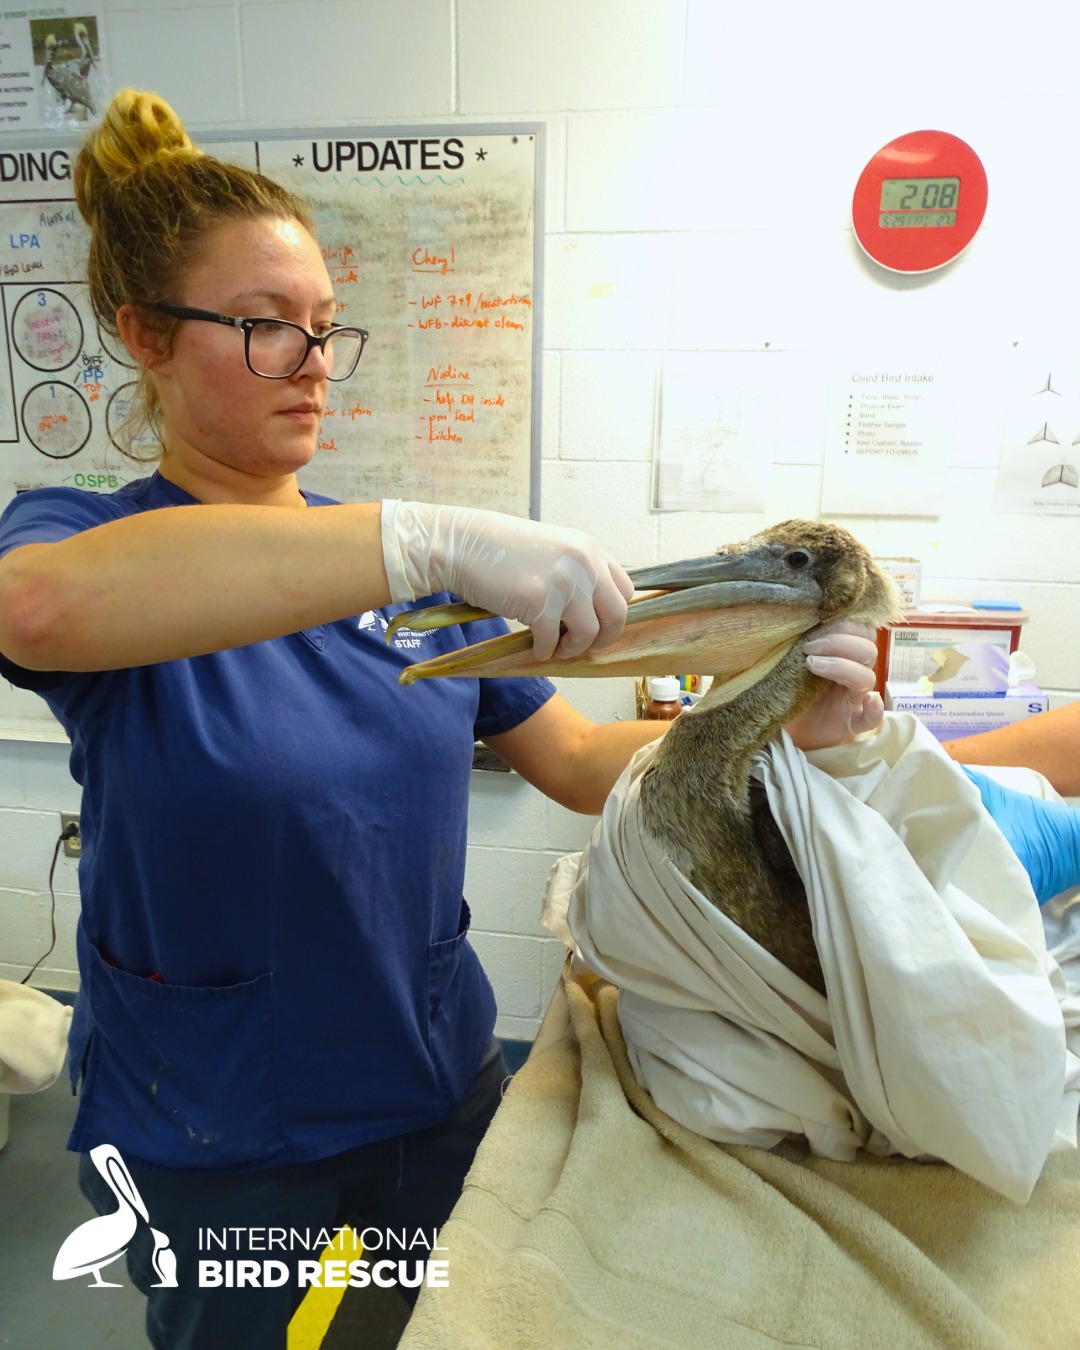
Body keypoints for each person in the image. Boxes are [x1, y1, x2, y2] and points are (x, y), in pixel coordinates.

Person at [0, 90, 881, 1350]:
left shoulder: (408, 575)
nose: (310, 362)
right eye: (261, 328)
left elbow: (573, 761)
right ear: (144, 333)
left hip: (433, 1087)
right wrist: (423, 536)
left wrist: (771, 724)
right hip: (223, 1126)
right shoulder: (84, 539)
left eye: (321, 326)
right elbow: (31, 614)